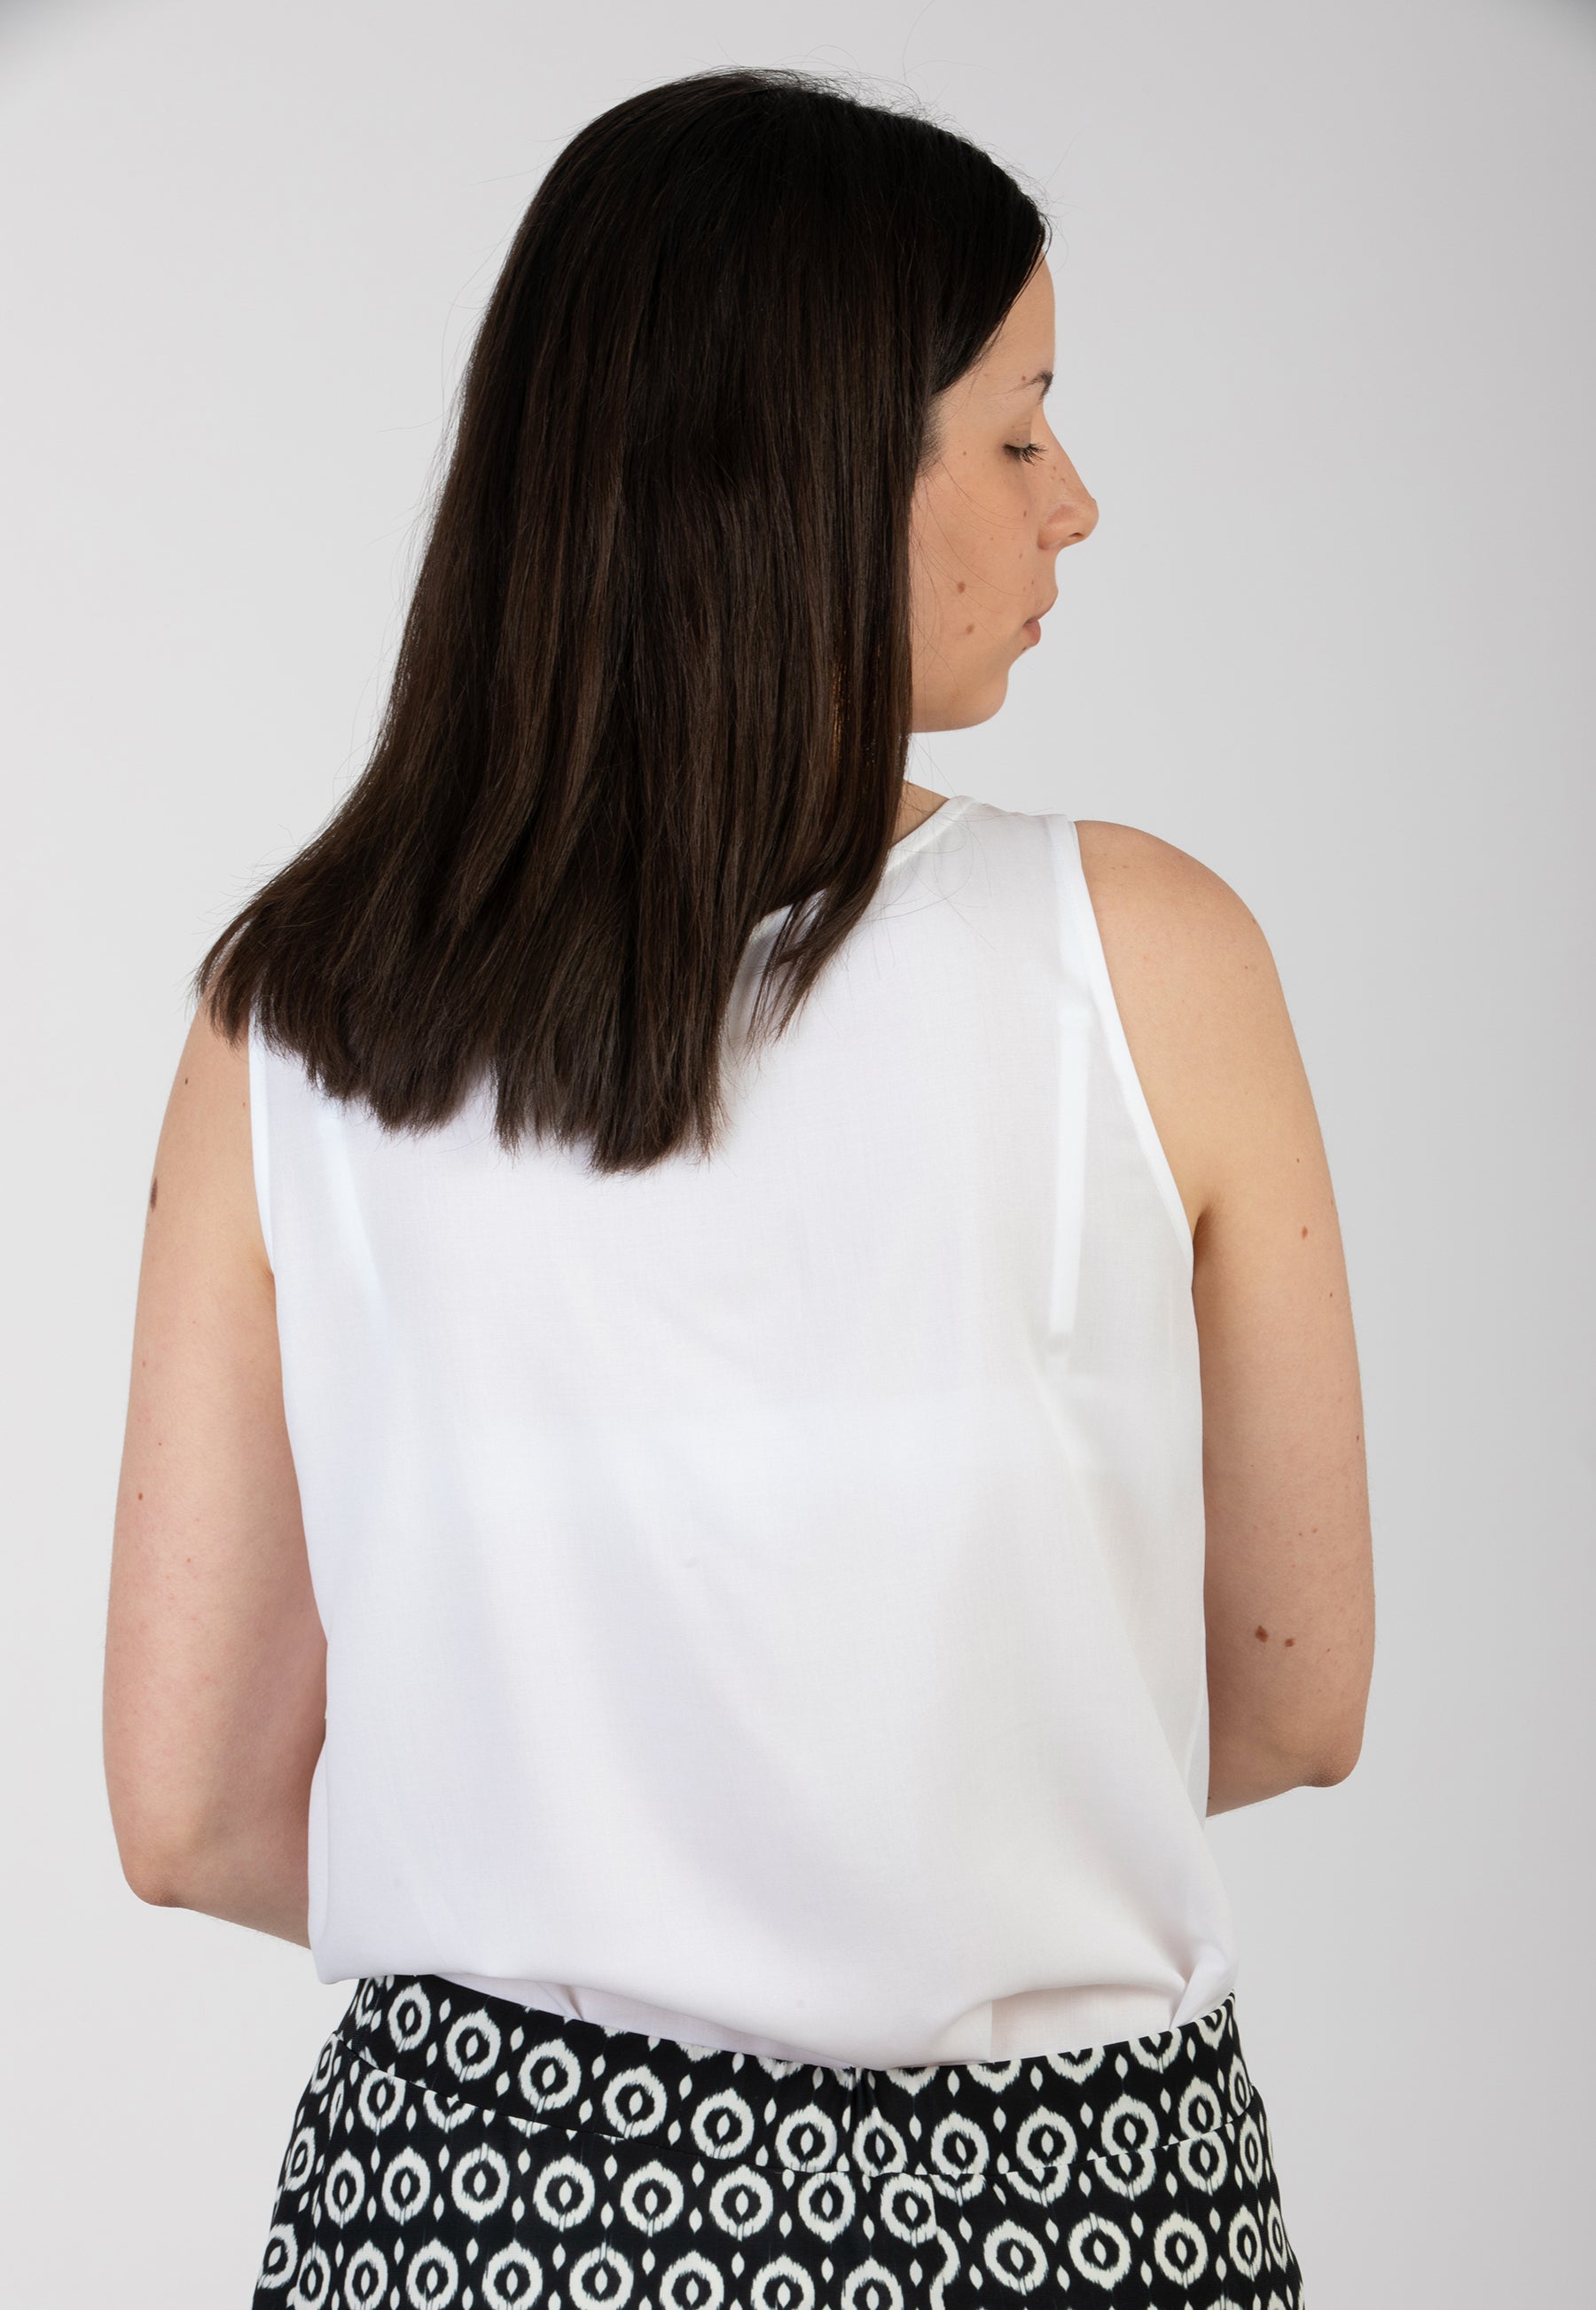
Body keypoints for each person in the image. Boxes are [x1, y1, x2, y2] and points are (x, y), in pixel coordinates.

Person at [103, 66, 1373, 2310]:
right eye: (1018, 432)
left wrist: (589, 1897)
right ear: (809, 468)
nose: (1075, 502)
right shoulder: (1147, 960)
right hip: (1067, 2221)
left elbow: (194, 1804)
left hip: (481, 2221)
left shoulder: (291, 1019)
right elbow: (1291, 1694)